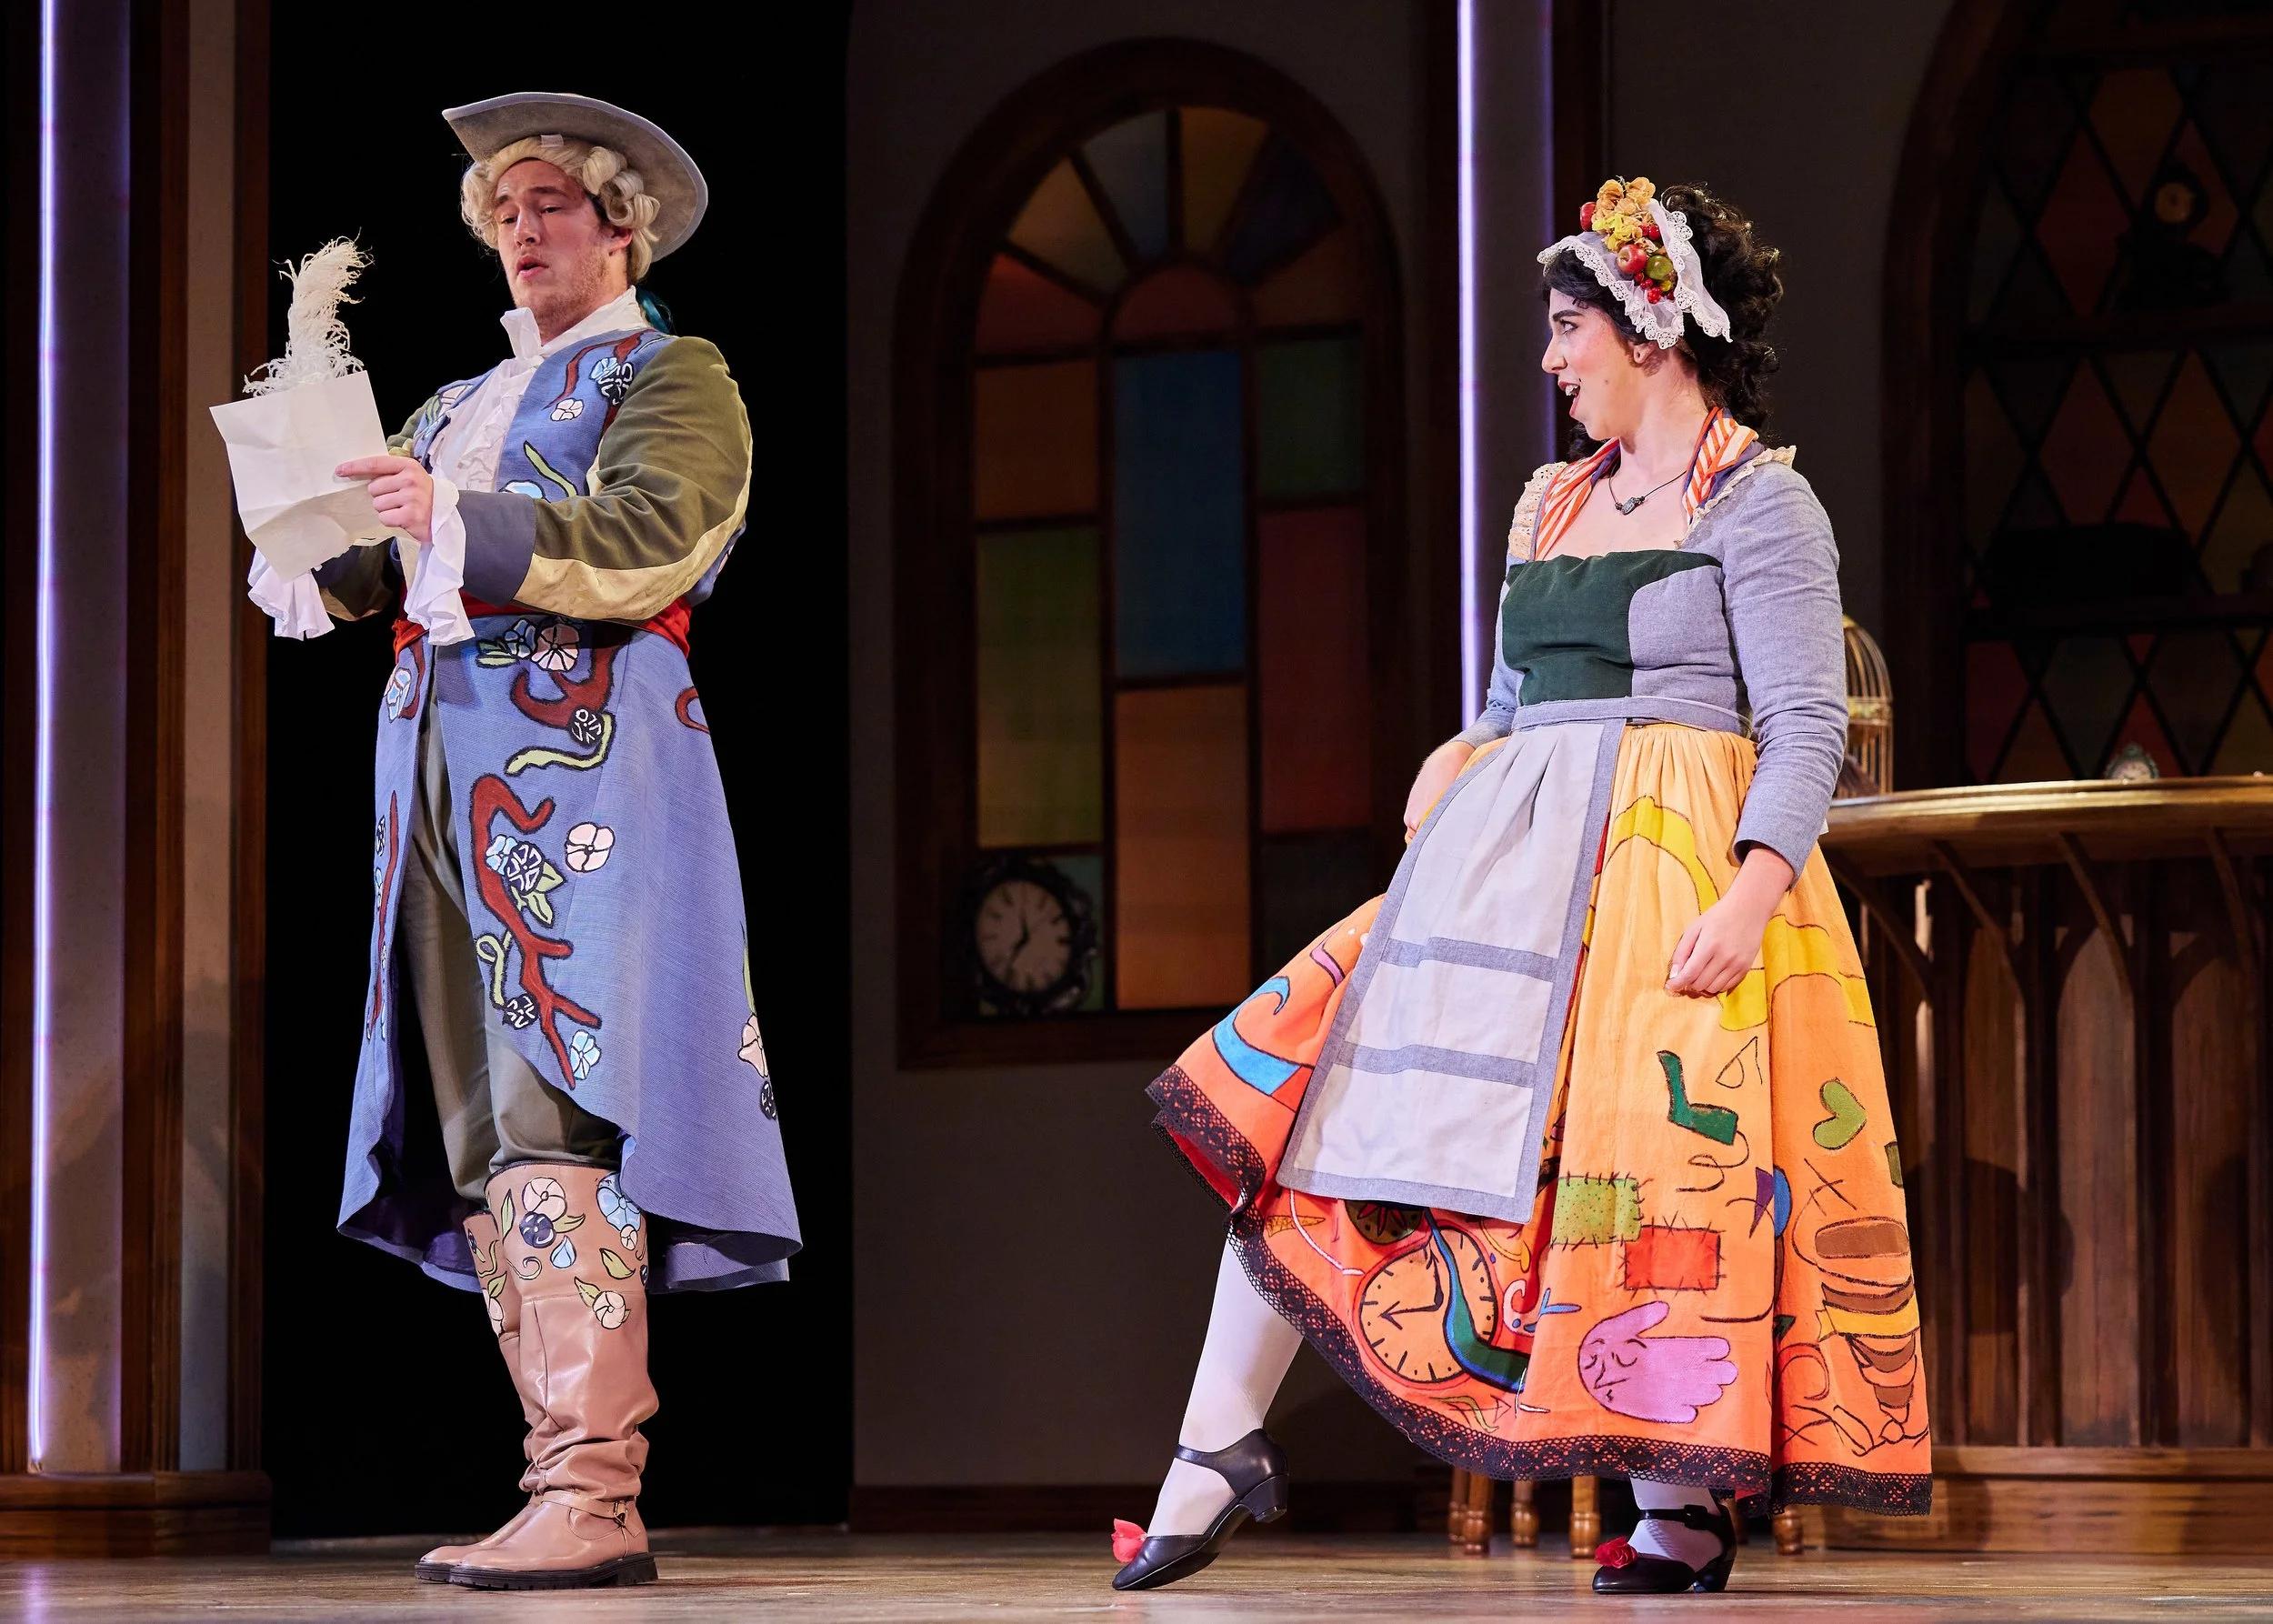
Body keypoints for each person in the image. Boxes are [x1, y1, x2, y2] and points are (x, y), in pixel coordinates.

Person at [1116, 178, 1928, 1596]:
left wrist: (1749, 893)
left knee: (1646, 1179)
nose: (1550, 360)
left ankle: (1678, 1506)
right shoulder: (1548, 502)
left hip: (1665, 874)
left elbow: (1805, 725)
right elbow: (1508, 696)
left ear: (1654, 329)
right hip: (1505, 870)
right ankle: (1211, 1447)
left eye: (1569, 329)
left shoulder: (1761, 499)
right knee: (1325, 1117)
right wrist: (1463, 747)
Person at [273, 93, 799, 1590]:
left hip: (584, 774)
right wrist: (318, 532)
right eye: (505, 209)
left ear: (621, 225)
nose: (523, 228)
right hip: (432, 771)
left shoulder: (672, 374)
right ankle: (557, 1468)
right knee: (481, 1131)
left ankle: (596, 1479)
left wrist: (451, 516)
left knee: (558, 1103)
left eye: (553, 202)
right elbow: (388, 567)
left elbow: (658, 539)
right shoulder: (448, 405)